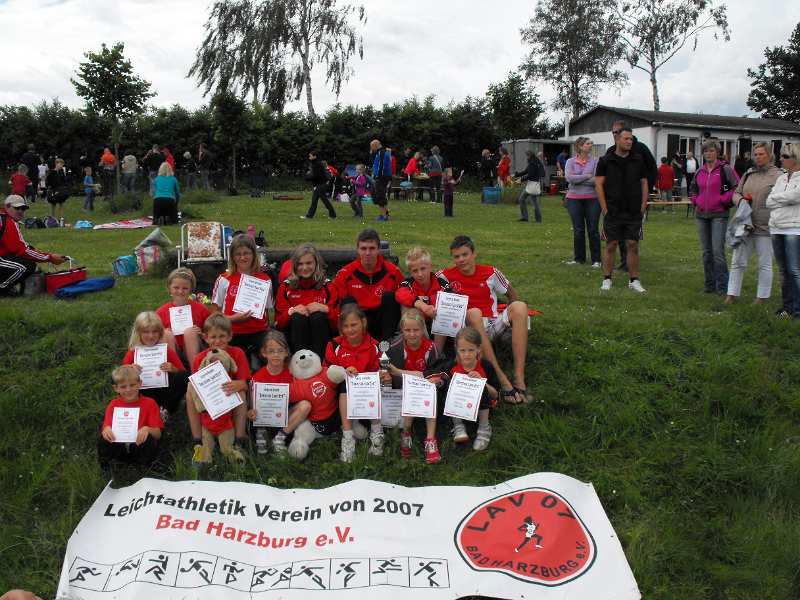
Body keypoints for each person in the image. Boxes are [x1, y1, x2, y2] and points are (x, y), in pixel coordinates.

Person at [437, 235, 532, 404]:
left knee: (520, 307)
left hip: (491, 324)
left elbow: (511, 294)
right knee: (474, 313)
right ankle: (501, 378)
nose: (461, 259)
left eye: (465, 254)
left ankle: (519, 377)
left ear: (474, 254)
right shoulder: (444, 276)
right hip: (467, 330)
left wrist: (512, 319)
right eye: (456, 256)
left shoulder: (491, 272)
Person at [324, 303, 384, 462]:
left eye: (354, 324)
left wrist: (380, 375)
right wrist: (344, 371)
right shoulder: (334, 345)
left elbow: (380, 371)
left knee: (374, 385)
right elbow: (327, 373)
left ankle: (377, 434)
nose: (350, 330)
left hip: (367, 397)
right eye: (346, 326)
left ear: (363, 322)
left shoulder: (375, 346)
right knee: (346, 384)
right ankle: (348, 439)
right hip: (342, 396)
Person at [725, 142, 782, 305]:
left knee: (764, 264)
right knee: (737, 261)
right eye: (755, 154)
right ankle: (731, 294)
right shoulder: (748, 173)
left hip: (766, 226)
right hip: (745, 224)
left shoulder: (778, 175)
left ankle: (762, 297)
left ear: (769, 155)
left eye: (761, 154)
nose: (758, 157)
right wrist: (741, 200)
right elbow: (736, 193)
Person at [385, 309, 445, 463]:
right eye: (408, 330)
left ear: (423, 329)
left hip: (426, 390)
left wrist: (399, 372)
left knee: (430, 393)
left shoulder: (430, 348)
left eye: (416, 330)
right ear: (402, 330)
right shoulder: (394, 347)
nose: (412, 334)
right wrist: (385, 374)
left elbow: (432, 373)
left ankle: (430, 440)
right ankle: (406, 434)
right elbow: (386, 368)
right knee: (409, 392)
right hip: (404, 391)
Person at [189, 314, 251, 459]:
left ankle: (239, 440)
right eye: (213, 337)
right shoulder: (200, 358)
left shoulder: (237, 353)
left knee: (241, 392)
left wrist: (239, 384)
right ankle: (198, 442)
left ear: (230, 336)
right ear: (205, 338)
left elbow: (246, 383)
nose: (217, 341)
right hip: (209, 402)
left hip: (230, 399)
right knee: (189, 392)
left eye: (222, 336)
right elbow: (197, 385)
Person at [596, 128, 649, 293]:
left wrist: (643, 205)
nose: (629, 142)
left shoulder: (638, 160)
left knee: (632, 244)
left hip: (633, 211)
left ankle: (634, 280)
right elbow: (598, 184)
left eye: (631, 139)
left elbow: (644, 183)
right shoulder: (605, 160)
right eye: (626, 139)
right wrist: (604, 208)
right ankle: (607, 279)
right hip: (612, 210)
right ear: (617, 139)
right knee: (611, 244)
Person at [334, 228, 403, 342]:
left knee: (390, 297)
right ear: (357, 249)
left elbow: (404, 297)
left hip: (384, 322)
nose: (367, 253)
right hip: (358, 321)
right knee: (347, 302)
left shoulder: (393, 272)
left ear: (379, 249)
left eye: (372, 248)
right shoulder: (345, 274)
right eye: (363, 248)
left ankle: (387, 345)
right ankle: (354, 345)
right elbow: (338, 307)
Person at [274, 243, 339, 360]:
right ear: (294, 265)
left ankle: (322, 362)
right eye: (300, 264)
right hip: (295, 340)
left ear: (316, 264)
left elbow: (338, 325)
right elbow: (278, 325)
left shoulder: (328, 287)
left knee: (318, 316)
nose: (304, 268)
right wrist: (291, 311)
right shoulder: (285, 287)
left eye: (309, 263)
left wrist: (326, 309)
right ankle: (299, 363)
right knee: (298, 317)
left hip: (322, 339)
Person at [689, 140, 738, 294]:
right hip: (701, 215)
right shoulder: (700, 171)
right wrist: (696, 200)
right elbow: (693, 189)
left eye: (711, 151)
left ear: (717, 152)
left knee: (717, 252)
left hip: (719, 215)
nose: (708, 154)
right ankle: (709, 285)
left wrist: (723, 199)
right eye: (705, 151)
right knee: (706, 252)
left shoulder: (725, 169)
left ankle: (722, 286)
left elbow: (737, 187)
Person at [210, 235, 271, 357]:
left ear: (254, 254)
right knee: (227, 360)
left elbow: (267, 310)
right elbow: (214, 314)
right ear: (232, 257)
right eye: (238, 254)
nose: (242, 257)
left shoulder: (264, 280)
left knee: (273, 352)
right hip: (231, 332)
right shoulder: (224, 279)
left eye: (246, 253)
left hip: (259, 331)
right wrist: (232, 319)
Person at [607, 121, 657, 272]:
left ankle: (630, 263)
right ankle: (624, 262)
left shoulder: (640, 149)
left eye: (618, 132)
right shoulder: (610, 151)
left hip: (635, 199)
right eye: (613, 132)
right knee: (617, 234)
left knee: (632, 235)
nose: (615, 135)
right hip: (617, 201)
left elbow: (652, 169)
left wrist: (645, 193)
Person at [121, 311, 188, 420]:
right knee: (128, 386)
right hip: (143, 393)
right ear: (138, 333)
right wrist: (130, 371)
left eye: (154, 331)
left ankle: (164, 411)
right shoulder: (133, 353)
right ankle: (143, 411)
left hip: (164, 392)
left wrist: (173, 369)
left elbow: (184, 374)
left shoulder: (166, 350)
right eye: (146, 332)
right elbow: (120, 379)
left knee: (183, 376)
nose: (151, 336)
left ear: (160, 333)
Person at [443, 326, 499, 451]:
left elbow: (495, 395)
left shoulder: (486, 366)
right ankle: (458, 425)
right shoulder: (450, 367)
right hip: (460, 408)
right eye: (462, 350)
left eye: (471, 350)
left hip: (482, 409)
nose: (467, 354)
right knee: (450, 383)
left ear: (479, 349)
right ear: (456, 349)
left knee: (479, 384)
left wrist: (481, 382)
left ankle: (484, 428)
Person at [98, 365, 163, 470]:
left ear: (140, 384)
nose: (128, 390)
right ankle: (108, 466)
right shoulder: (113, 404)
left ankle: (146, 466)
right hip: (119, 447)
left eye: (132, 385)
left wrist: (147, 429)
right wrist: (107, 430)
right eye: (123, 387)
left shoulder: (150, 403)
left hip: (139, 446)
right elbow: (106, 427)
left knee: (148, 438)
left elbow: (158, 434)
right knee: (104, 438)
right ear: (116, 388)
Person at [0, 195, 66, 295]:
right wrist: (50, 257)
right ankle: (3, 289)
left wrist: (34, 250)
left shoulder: (4, 219)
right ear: (7, 206)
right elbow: (22, 251)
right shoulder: (8, 222)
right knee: (25, 266)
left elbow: (17, 245)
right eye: (17, 208)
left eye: (23, 208)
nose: (21, 211)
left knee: (21, 261)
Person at [766, 143, 800, 319]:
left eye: (785, 157)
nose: (781, 159)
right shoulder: (781, 178)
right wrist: (784, 199)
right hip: (776, 227)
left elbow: (796, 196)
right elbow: (768, 201)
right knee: (783, 271)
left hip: (794, 228)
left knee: (794, 270)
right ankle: (787, 307)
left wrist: (778, 198)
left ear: (795, 158)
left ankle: (798, 309)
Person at [396, 246, 450, 352]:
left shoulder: (441, 283)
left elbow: (449, 298)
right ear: (410, 272)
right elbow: (400, 294)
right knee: (407, 306)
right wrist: (422, 305)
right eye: (415, 271)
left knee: (444, 307)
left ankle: (436, 354)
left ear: (430, 267)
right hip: (418, 324)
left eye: (423, 269)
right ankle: (422, 351)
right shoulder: (408, 283)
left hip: (438, 326)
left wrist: (426, 301)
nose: (420, 274)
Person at [249, 331, 295, 454]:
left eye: (280, 351)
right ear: (264, 353)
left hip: (284, 417)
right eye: (271, 351)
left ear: (286, 352)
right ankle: (261, 434)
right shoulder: (257, 377)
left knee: (305, 405)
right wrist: (251, 412)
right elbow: (253, 405)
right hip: (264, 419)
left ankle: (280, 438)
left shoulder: (291, 374)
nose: (276, 355)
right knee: (257, 407)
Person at [155, 267, 210, 367]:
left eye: (185, 288)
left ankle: (195, 370)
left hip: (196, 349)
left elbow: (212, 332)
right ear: (169, 288)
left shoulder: (201, 309)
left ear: (191, 290)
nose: (180, 291)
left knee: (190, 332)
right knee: (166, 333)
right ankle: (175, 370)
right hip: (172, 349)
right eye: (176, 288)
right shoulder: (160, 312)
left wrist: (201, 333)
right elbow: (152, 336)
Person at [564, 137, 601, 267]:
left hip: (593, 199)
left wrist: (577, 180)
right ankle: (579, 259)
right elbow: (569, 178)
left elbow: (596, 180)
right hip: (573, 199)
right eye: (587, 143)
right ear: (580, 146)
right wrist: (586, 176)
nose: (590, 145)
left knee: (593, 229)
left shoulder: (596, 161)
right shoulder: (570, 161)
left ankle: (596, 260)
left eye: (591, 143)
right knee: (578, 230)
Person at [301, 150, 336, 220]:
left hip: (321, 185)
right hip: (319, 185)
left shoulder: (317, 164)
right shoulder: (315, 164)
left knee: (324, 200)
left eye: (310, 156)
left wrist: (307, 177)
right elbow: (315, 175)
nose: (309, 157)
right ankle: (310, 216)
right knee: (315, 200)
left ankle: (332, 214)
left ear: (315, 156)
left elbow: (316, 176)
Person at [514, 150, 545, 223]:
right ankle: (526, 218)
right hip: (533, 185)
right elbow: (526, 171)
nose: (527, 157)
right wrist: (516, 175)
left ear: (530, 156)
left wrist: (520, 180)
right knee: (522, 199)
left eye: (527, 156)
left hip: (532, 186)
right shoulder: (536, 162)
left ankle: (537, 220)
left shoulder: (532, 163)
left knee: (534, 203)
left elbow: (530, 175)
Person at [371, 139, 392, 221]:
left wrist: (378, 176)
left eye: (372, 147)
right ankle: (386, 214)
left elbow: (381, 166)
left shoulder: (381, 153)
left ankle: (383, 216)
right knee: (380, 195)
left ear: (375, 145)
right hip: (383, 176)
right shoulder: (382, 152)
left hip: (381, 177)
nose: (372, 149)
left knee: (380, 196)